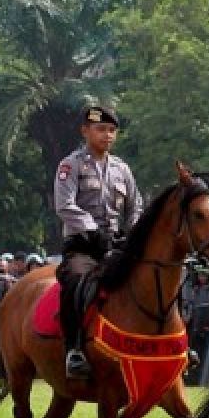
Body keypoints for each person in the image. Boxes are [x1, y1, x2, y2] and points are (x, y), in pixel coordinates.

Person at [54, 104, 144, 379]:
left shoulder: (122, 169)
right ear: (85, 131)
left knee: (155, 276)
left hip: (116, 245)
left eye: (111, 130)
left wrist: (133, 233)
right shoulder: (71, 165)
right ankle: (75, 350)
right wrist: (92, 229)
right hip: (83, 245)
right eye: (101, 129)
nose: (107, 135)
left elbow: (135, 206)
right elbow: (64, 205)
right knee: (76, 280)